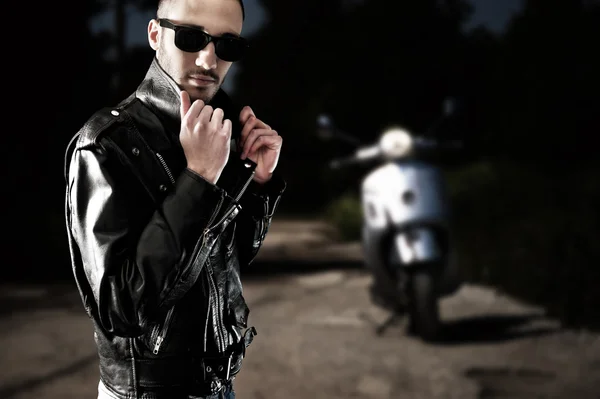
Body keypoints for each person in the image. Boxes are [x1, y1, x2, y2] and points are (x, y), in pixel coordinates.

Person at [63, 0, 286, 397]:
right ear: (154, 34)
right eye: (190, 37)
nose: (207, 58)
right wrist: (198, 179)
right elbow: (120, 309)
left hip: (220, 386)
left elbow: (230, 259)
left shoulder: (224, 132)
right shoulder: (106, 144)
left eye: (227, 45)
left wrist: (259, 184)